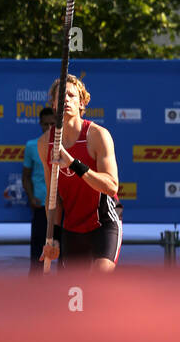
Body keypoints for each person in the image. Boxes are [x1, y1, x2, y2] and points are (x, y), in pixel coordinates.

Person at [38, 75, 122, 272]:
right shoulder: (44, 144)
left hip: (104, 222)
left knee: (99, 282)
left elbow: (111, 186)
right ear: (53, 104)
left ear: (81, 102)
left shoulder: (97, 135)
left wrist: (73, 163)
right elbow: (53, 198)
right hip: (72, 227)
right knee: (75, 294)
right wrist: (53, 238)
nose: (66, 100)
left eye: (71, 95)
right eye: (61, 97)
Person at [23, 107, 59, 274]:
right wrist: (31, 198)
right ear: (40, 124)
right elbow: (26, 177)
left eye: (53, 124)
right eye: (46, 124)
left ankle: (67, 285)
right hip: (40, 207)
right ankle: (36, 289)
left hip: (61, 208)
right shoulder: (31, 146)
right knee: (38, 253)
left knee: (65, 251)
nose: (49, 128)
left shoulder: (66, 146)